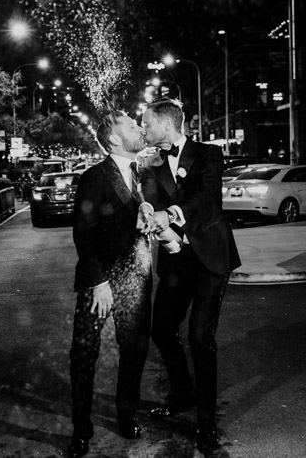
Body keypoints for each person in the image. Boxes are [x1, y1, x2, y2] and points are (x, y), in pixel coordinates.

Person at [68, 110, 176, 457]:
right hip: (96, 282)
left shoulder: (145, 173)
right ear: (114, 139)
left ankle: (126, 414)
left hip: (136, 278)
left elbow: (156, 211)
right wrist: (99, 282)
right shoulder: (94, 177)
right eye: (130, 125)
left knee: (135, 350)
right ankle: (81, 429)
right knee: (85, 354)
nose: (138, 127)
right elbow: (83, 234)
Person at [139, 99, 242, 454]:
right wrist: (149, 211)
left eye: (147, 124)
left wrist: (171, 213)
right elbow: (149, 195)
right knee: (161, 329)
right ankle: (182, 394)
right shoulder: (151, 160)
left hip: (210, 257)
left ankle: (206, 422)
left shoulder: (208, 154)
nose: (144, 130)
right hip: (175, 261)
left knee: (201, 338)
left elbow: (206, 197)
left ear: (166, 125)